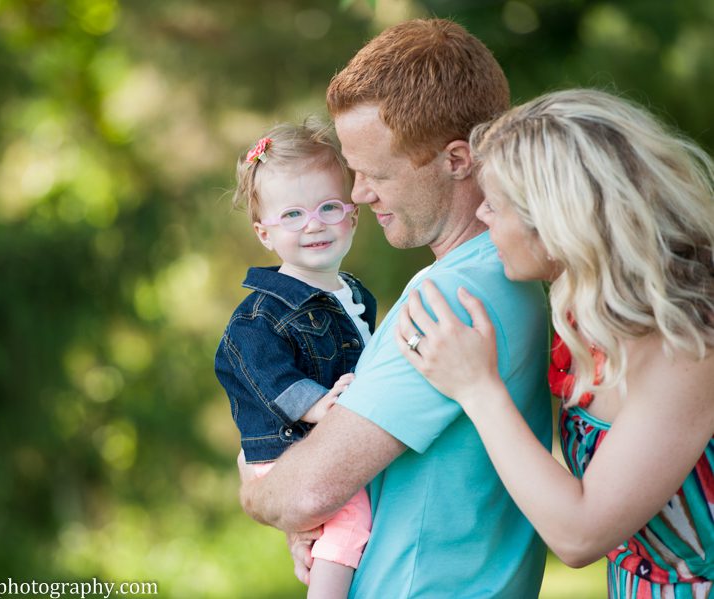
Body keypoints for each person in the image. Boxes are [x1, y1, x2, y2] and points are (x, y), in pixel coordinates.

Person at [237, 19, 553, 597]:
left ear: (457, 159)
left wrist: (255, 489)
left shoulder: (453, 299)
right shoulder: (504, 274)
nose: (357, 194)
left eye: (375, 172)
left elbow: (308, 490)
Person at [395, 88, 714, 598]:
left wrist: (477, 389)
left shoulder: (690, 343)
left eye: (495, 206)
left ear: (557, 220)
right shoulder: (583, 311)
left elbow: (579, 532)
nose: (481, 217)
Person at [214, 120, 377, 598]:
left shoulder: (356, 294)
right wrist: (320, 406)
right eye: (293, 215)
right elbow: (266, 375)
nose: (314, 224)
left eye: (329, 207)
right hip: (284, 447)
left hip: (317, 440)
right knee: (350, 518)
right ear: (264, 233)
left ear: (353, 215)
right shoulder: (260, 316)